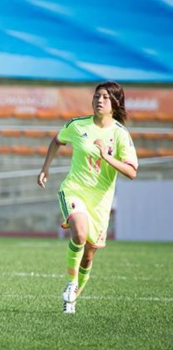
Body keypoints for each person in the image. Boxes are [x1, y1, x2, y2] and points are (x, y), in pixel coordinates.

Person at [37, 81, 138, 314]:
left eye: (104, 97)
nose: (99, 100)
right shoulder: (77, 125)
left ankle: (71, 300)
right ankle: (70, 283)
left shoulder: (120, 135)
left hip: (100, 201)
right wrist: (45, 168)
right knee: (79, 232)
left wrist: (107, 157)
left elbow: (132, 172)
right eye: (97, 96)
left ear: (115, 103)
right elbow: (57, 140)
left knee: (89, 256)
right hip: (74, 189)